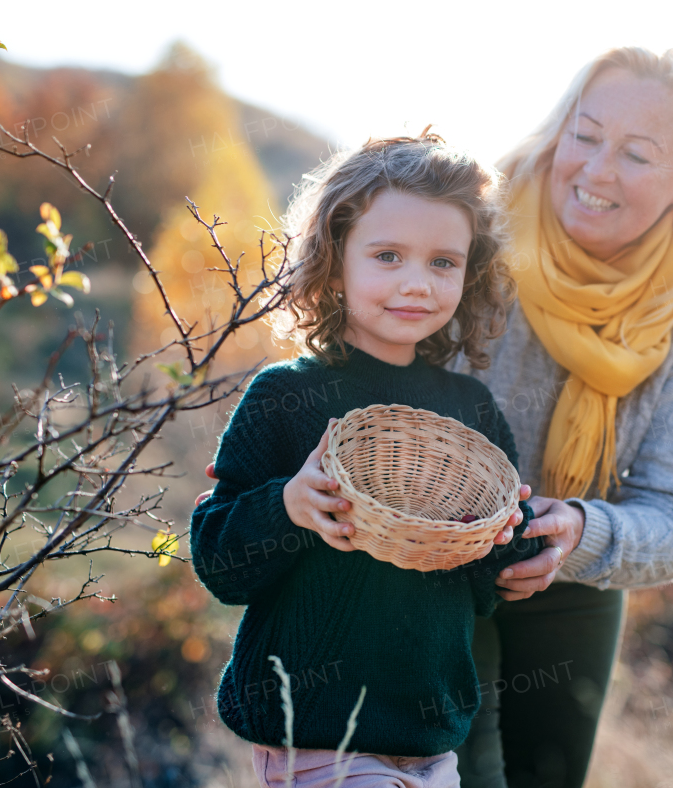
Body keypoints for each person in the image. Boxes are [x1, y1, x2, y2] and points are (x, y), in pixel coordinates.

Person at [449, 48, 673, 788]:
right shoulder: (469, 233)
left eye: (636, 154)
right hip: (430, 557)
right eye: (585, 135)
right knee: (454, 774)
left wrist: (578, 534)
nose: (596, 171)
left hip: (574, 578)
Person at [190, 132, 545, 788]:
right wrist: (288, 504)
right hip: (319, 734)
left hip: (431, 740)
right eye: (387, 256)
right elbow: (220, 562)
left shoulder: (471, 410)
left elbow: (483, 586)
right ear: (335, 260)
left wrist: (504, 537)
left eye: (444, 262)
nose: (418, 283)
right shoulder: (285, 396)